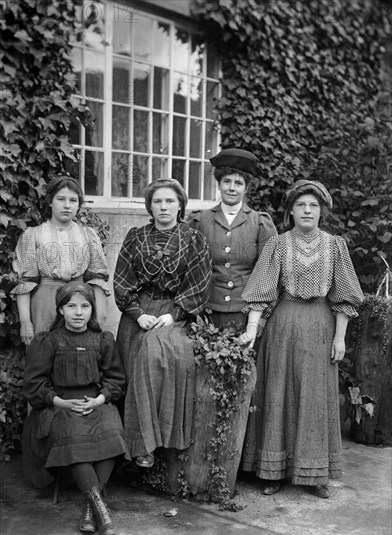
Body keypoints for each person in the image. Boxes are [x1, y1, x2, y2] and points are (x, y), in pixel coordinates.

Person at [240, 179, 364, 498]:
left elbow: (345, 296)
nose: (307, 210)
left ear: (321, 212)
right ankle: (272, 471)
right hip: (283, 325)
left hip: (321, 326)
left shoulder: (335, 245)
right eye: (301, 205)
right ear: (291, 212)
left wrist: (340, 339)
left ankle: (315, 473)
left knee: (315, 397)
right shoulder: (278, 245)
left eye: (313, 205)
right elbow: (262, 291)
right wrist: (252, 330)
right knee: (278, 393)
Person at [114, 178, 212, 468]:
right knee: (129, 361)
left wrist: (175, 314)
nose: (164, 206)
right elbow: (122, 280)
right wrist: (136, 313)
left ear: (180, 205)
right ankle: (126, 451)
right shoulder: (136, 237)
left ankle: (151, 445)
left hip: (176, 311)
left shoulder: (194, 239)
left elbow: (200, 283)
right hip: (138, 311)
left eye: (170, 201)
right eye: (157, 201)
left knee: (153, 355)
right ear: (150, 206)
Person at [22, 282, 129, 535]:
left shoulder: (102, 339)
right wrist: (60, 401)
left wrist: (100, 399)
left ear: (92, 310)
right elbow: (34, 384)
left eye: (84, 306)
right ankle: (102, 513)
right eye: (71, 306)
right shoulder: (48, 341)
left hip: (95, 402)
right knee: (73, 436)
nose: (78, 312)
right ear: (61, 309)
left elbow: (115, 380)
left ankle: (91, 509)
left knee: (112, 430)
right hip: (59, 405)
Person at [11, 176, 110, 345]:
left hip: (80, 301)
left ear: (78, 204)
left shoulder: (88, 235)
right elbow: (24, 282)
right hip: (44, 303)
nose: (67, 205)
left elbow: (97, 278)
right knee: (44, 354)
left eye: (73, 200)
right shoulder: (33, 235)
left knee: (80, 357)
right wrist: (26, 322)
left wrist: (100, 317)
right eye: (61, 199)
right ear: (50, 201)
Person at [188, 148, 276, 332]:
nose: (232, 188)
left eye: (238, 183)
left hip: (246, 314)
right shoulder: (200, 221)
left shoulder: (260, 223)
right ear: (219, 184)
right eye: (226, 181)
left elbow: (268, 274)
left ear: (246, 188)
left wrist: (261, 318)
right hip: (207, 312)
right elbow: (190, 270)